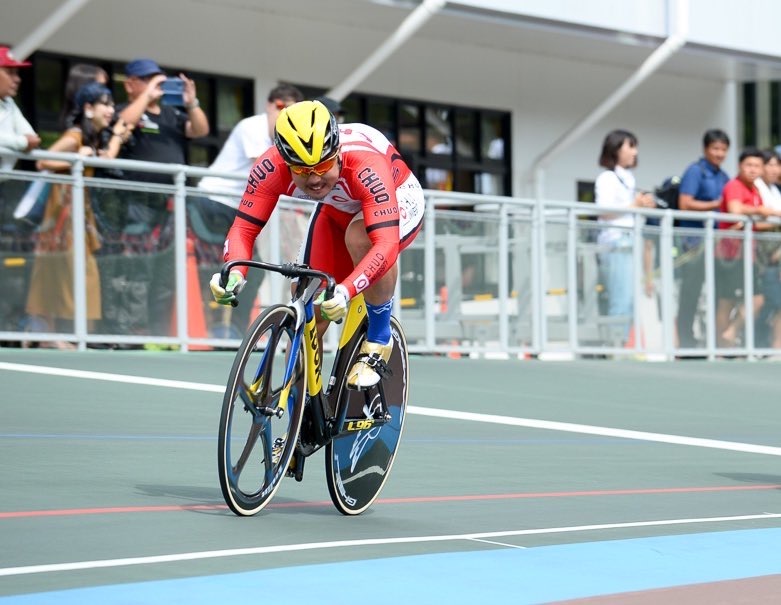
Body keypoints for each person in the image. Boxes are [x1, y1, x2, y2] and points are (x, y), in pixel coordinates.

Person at [210, 100, 425, 389]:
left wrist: (347, 291)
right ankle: (302, 411)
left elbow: (384, 244)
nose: (313, 179)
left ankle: (378, 338)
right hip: (337, 208)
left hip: (397, 196)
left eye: (322, 166)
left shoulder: (364, 165)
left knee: (360, 237)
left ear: (336, 153)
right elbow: (244, 229)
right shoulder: (269, 167)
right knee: (306, 301)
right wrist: (234, 272)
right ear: (285, 162)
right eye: (300, 170)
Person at [24, 82, 133, 346]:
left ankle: (50, 335)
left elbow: (105, 158)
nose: (110, 110)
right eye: (104, 104)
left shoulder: (90, 138)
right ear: (87, 108)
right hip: (62, 214)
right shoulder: (75, 136)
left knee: (78, 275)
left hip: (77, 217)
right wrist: (75, 161)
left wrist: (116, 138)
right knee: (65, 274)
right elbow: (43, 161)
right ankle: (50, 335)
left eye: (110, 104)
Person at [196, 83, 303, 337]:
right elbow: (268, 174)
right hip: (214, 202)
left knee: (252, 273)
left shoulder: (284, 136)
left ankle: (235, 329)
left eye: (291, 109)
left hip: (237, 207)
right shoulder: (252, 127)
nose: (284, 112)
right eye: (280, 106)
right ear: (269, 106)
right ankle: (225, 329)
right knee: (232, 268)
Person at [114, 58, 209, 337]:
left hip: (172, 204)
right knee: (137, 267)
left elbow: (200, 130)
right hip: (137, 203)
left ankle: (158, 331)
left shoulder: (172, 114)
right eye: (148, 79)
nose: (157, 85)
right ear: (130, 84)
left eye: (160, 79)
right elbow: (123, 123)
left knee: (165, 269)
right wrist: (147, 95)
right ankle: (131, 331)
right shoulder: (127, 109)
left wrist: (191, 102)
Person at [715, 148, 781, 347]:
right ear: (739, 166)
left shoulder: (754, 191)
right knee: (727, 302)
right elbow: (735, 211)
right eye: (749, 165)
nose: (753, 170)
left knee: (757, 300)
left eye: (757, 166)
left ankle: (730, 336)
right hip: (730, 253)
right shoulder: (734, 185)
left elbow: (754, 224)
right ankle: (721, 349)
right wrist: (762, 211)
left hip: (748, 253)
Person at [594, 129, 656, 338]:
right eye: (630, 146)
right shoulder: (607, 177)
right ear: (615, 149)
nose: (634, 152)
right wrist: (634, 204)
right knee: (620, 298)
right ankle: (616, 347)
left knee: (630, 299)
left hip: (630, 242)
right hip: (616, 243)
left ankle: (623, 344)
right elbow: (603, 210)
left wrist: (644, 206)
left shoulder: (628, 178)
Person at [675, 129, 731, 348]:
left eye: (723, 149)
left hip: (717, 245)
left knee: (719, 294)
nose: (719, 154)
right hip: (694, 243)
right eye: (715, 148)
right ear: (706, 149)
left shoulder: (723, 176)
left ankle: (711, 341)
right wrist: (715, 204)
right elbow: (685, 203)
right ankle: (686, 343)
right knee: (691, 293)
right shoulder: (695, 171)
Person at [754, 149, 781, 350]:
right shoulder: (756, 187)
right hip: (762, 256)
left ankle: (775, 345)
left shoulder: (775, 190)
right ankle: (763, 343)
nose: (774, 169)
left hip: (776, 255)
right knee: (768, 300)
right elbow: (757, 222)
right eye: (770, 164)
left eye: (776, 164)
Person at [0, 46, 40, 172]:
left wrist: (24, 141)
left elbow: (32, 138)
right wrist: (21, 143)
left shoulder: (9, 103)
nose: (17, 79)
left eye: (17, 73)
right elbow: (26, 141)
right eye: (10, 73)